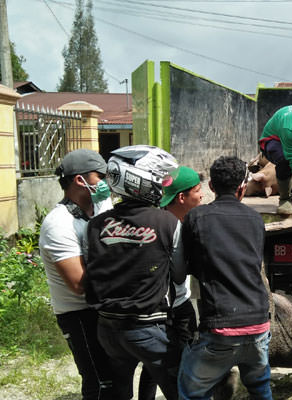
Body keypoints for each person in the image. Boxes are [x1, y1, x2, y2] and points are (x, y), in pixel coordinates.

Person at [84, 145, 184, 400]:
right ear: (140, 179)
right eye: (159, 179)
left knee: (120, 393)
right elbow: (180, 275)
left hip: (107, 328)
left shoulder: (96, 224)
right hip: (148, 327)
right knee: (180, 391)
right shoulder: (167, 222)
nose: (162, 186)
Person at [178, 156, 272, 400]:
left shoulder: (196, 218)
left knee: (191, 392)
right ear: (242, 187)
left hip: (220, 327)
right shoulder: (255, 220)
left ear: (211, 186)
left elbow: (182, 269)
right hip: (259, 324)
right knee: (260, 388)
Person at [38, 149, 114, 400]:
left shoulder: (101, 205)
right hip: (79, 314)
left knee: (115, 379)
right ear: (80, 180)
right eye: (100, 176)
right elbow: (79, 284)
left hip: (103, 308)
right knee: (99, 382)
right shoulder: (58, 224)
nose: (105, 182)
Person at [137, 165, 204, 400]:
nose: (202, 195)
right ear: (182, 197)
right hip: (173, 307)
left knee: (155, 362)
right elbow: (178, 275)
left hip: (154, 306)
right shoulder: (172, 225)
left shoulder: (151, 220)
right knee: (184, 357)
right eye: (197, 190)